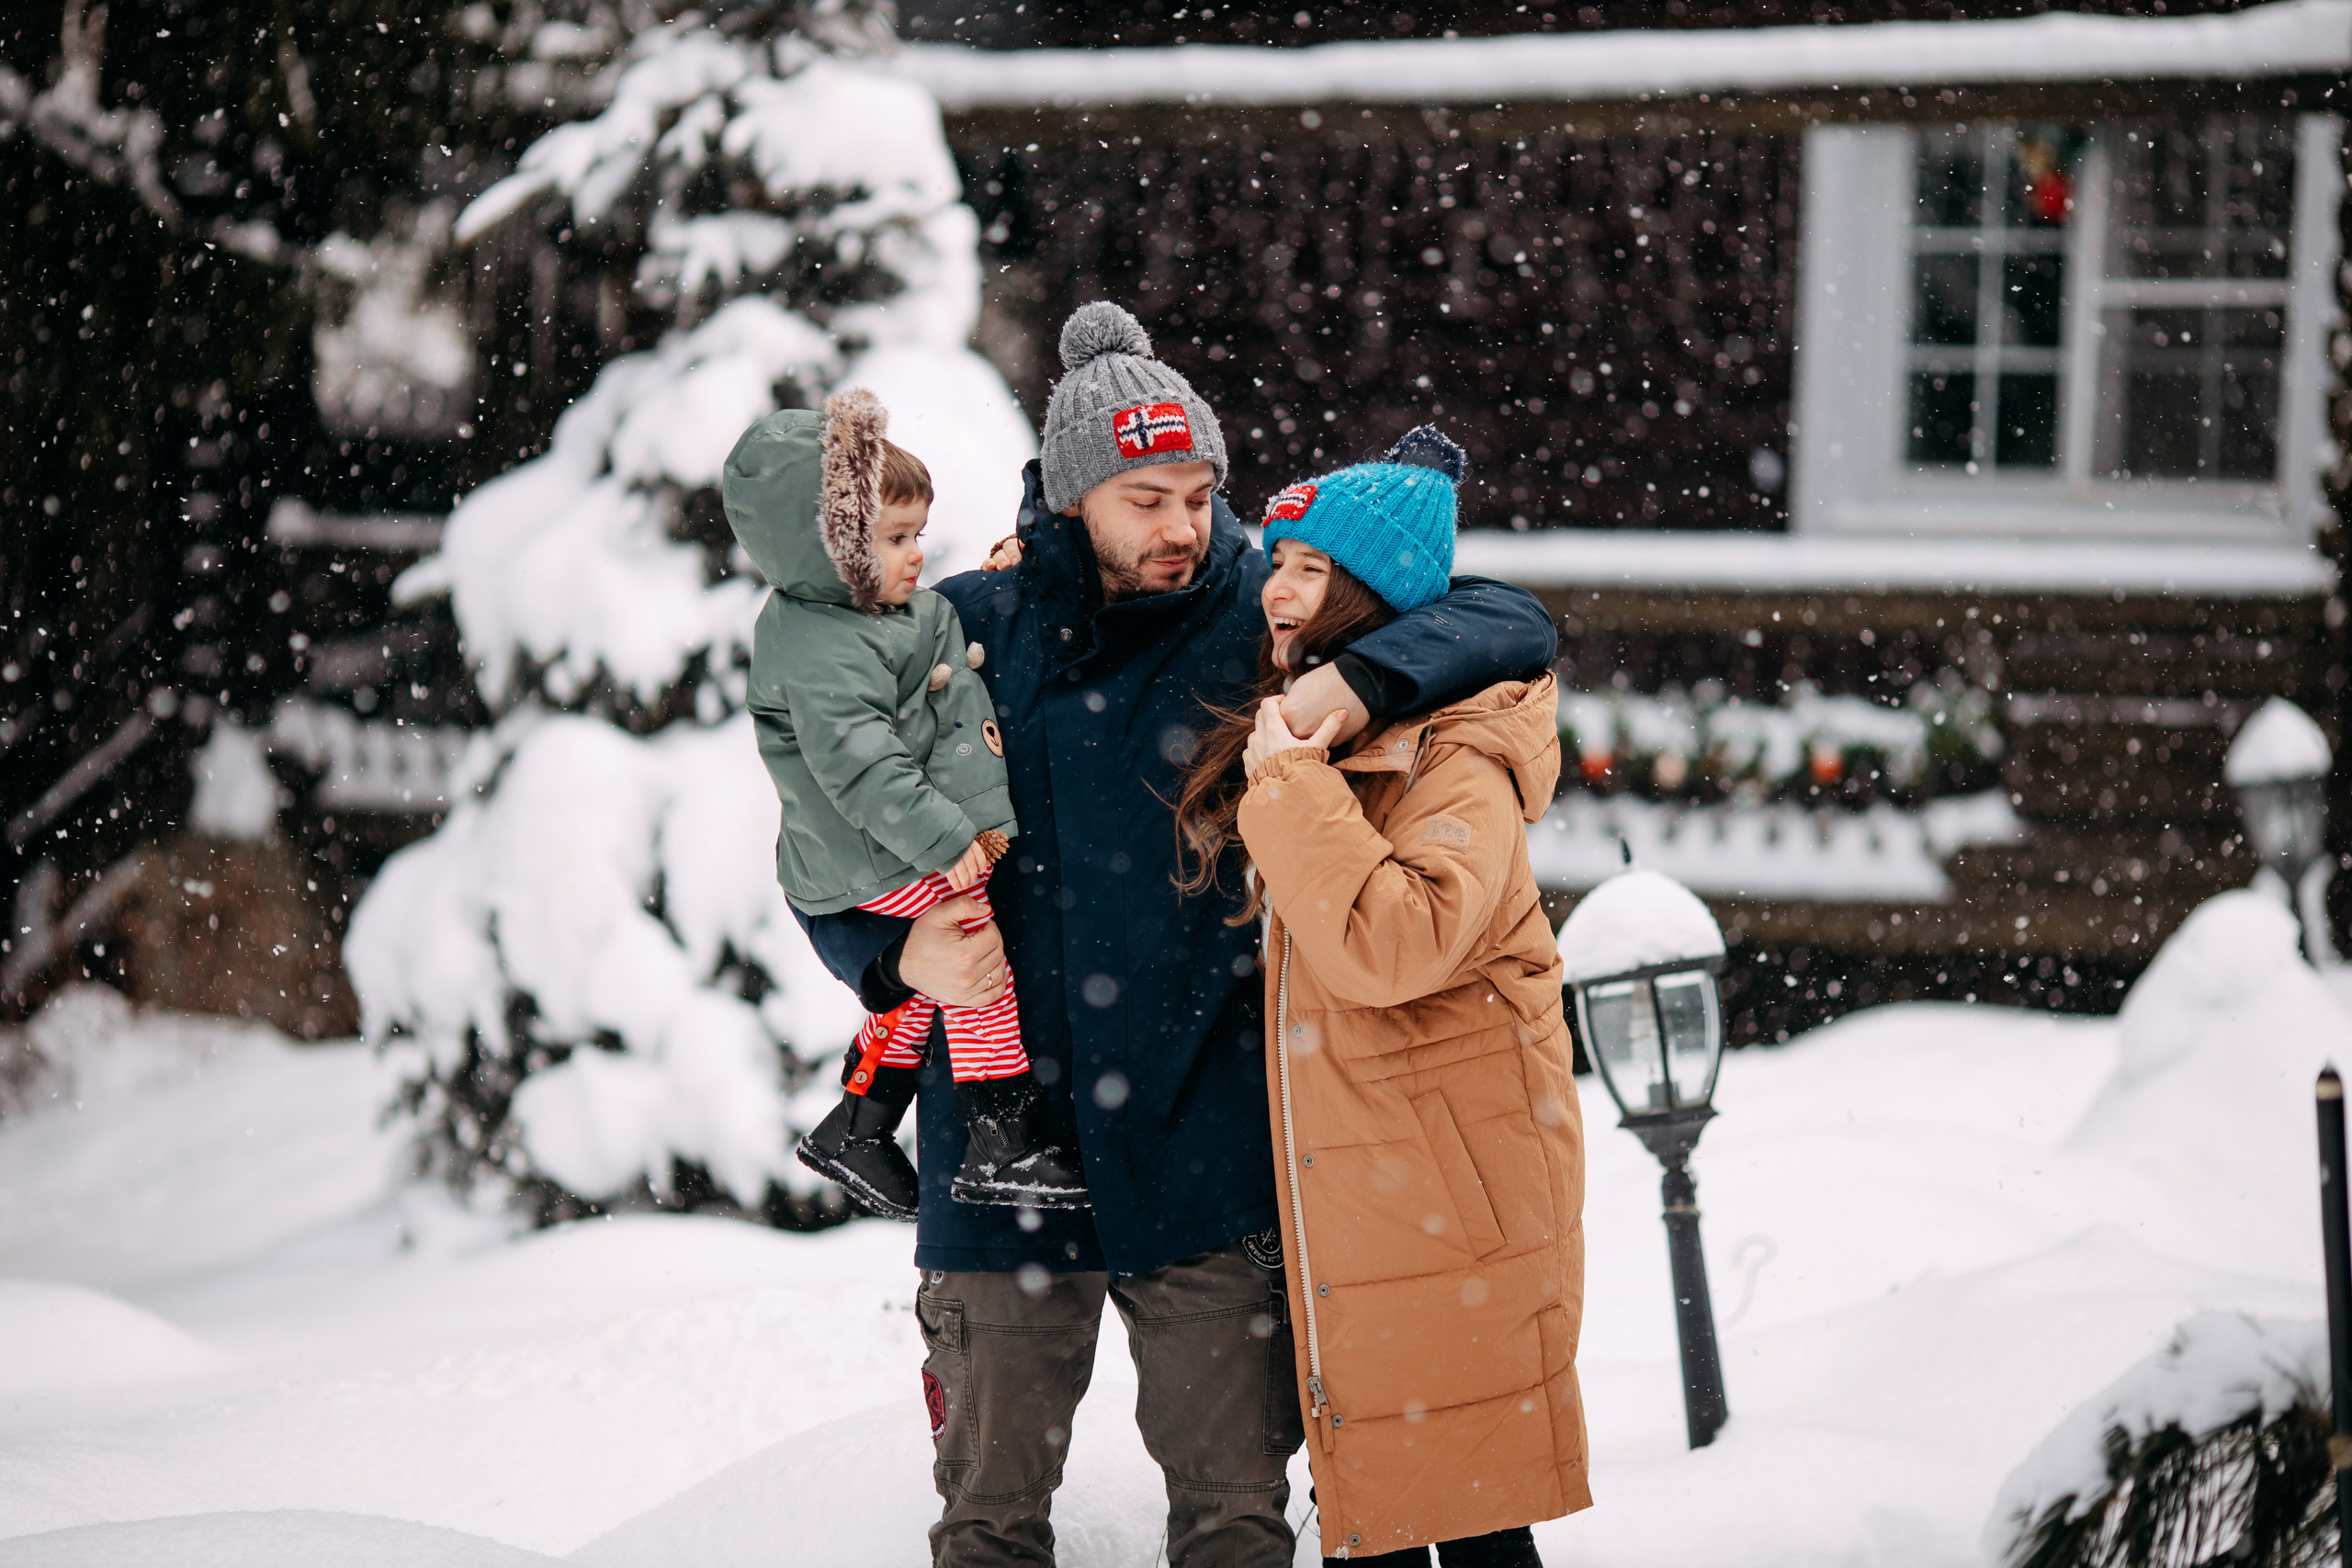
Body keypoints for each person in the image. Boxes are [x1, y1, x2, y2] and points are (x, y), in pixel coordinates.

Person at [791, 301, 1561, 1568]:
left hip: (1208, 1136)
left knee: (1235, 1516)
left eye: (1201, 492)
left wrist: (1359, 677)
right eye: (1148, 497)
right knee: (986, 1520)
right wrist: (881, 956)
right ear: (1075, 492)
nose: (1185, 526)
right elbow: (820, 823)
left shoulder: (1259, 609)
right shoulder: (968, 626)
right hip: (1005, 1142)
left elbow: (1507, 623)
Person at [1173, 426, 1589, 1566]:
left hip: (1446, 1194)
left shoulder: (1458, 755)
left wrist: (1291, 784)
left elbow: (1395, 943)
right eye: (1278, 560)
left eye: (1311, 568)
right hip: (1377, 1182)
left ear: (1372, 595)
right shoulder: (1335, 712)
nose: (1278, 588)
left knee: (1463, 1514)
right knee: (1395, 1509)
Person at [722, 388, 1088, 1219]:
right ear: (829, 550)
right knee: (970, 954)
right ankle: (1002, 1137)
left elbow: (935, 631)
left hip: (876, 847)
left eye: (918, 533)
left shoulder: (867, 612)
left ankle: (859, 1121)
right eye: (893, 539)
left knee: (923, 981)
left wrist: (1009, 574)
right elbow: (861, 765)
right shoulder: (819, 643)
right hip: (873, 849)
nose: (916, 555)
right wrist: (947, 838)